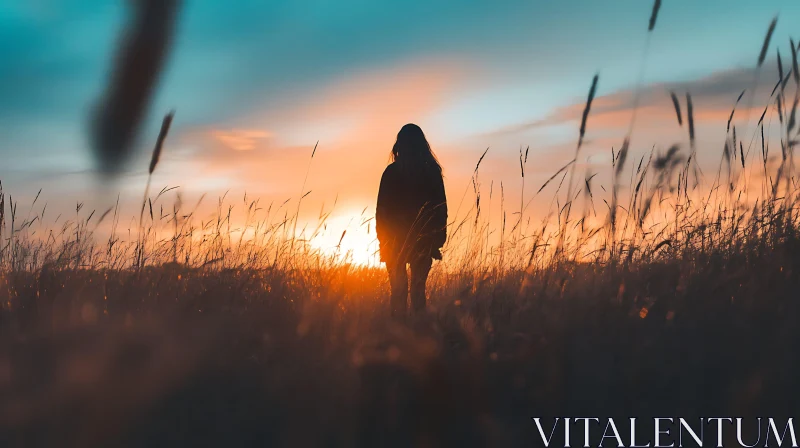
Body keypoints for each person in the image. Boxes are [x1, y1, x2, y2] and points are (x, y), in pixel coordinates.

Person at [376, 124, 447, 317]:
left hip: (395, 242)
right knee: (417, 291)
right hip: (422, 240)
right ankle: (418, 333)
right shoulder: (431, 172)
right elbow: (441, 209)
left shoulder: (391, 172)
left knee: (398, 292)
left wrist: (383, 241)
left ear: (399, 144)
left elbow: (381, 211)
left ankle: (398, 335)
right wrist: (438, 240)